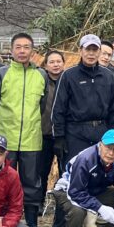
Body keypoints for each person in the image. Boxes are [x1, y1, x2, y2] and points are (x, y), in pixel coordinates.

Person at [51, 35, 114, 227]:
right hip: (76, 131)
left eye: (95, 50)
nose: (91, 53)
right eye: (87, 49)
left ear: (99, 51)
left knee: (98, 176)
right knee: (71, 177)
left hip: (101, 131)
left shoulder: (107, 76)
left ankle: (90, 221)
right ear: (80, 51)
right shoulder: (69, 75)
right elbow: (58, 109)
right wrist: (59, 138)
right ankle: (60, 226)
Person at [0, 32, 47, 227]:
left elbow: (42, 105)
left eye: (26, 47)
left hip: (31, 137)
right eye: (18, 47)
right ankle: (2, 221)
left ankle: (31, 222)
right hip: (5, 138)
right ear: (11, 50)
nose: (22, 51)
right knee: (3, 181)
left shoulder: (41, 75)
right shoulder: (0, 74)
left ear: (33, 51)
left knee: (32, 182)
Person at [40, 49, 66, 203]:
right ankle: (39, 202)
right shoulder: (41, 81)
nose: (56, 65)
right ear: (46, 65)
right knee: (41, 171)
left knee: (65, 171)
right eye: (52, 62)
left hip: (64, 135)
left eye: (58, 61)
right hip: (44, 133)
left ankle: (62, 204)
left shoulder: (68, 80)